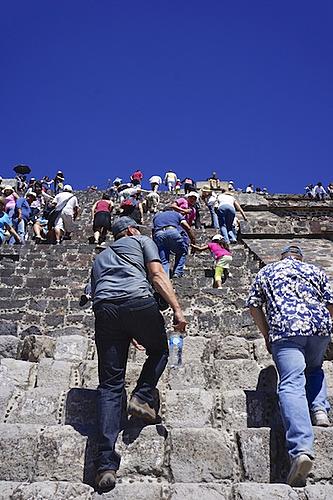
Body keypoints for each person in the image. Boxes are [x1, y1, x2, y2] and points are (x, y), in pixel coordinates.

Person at [91, 216, 186, 493]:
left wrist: (126, 328)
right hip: (139, 301)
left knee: (110, 386)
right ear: (131, 230)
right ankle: (142, 396)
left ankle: (105, 464)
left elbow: (97, 291)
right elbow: (157, 275)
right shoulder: (143, 240)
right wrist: (177, 309)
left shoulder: (99, 258)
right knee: (160, 351)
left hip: (105, 311)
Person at [247, 244, 333, 487]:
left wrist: (266, 335)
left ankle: (301, 450)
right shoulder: (315, 271)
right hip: (319, 328)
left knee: (291, 384)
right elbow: (331, 303)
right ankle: (319, 411)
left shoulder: (267, 272)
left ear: (281, 257)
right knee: (315, 367)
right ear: (300, 257)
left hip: (285, 330)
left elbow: (254, 305)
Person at [152, 207, 195, 278]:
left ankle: (165, 277)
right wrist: (193, 240)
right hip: (172, 231)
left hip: (158, 234)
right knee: (182, 252)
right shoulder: (176, 214)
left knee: (163, 259)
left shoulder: (156, 216)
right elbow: (187, 227)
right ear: (171, 210)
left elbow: (153, 230)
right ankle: (177, 272)